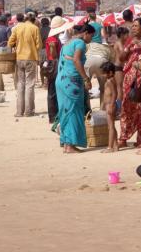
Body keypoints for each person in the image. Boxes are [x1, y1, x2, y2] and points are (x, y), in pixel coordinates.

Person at [56, 24, 95, 153]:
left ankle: (67, 144)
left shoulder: (68, 43)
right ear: (86, 33)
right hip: (72, 82)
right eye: (91, 35)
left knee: (66, 111)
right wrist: (86, 79)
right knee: (74, 111)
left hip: (61, 80)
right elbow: (77, 61)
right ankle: (71, 144)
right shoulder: (80, 43)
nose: (91, 39)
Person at [118, 18, 141, 148]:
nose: (133, 28)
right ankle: (123, 137)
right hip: (129, 79)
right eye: (133, 26)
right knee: (126, 107)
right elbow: (121, 58)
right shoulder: (130, 42)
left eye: (136, 26)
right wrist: (129, 48)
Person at [8, 11, 41, 117]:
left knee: (20, 84)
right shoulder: (35, 29)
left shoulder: (17, 27)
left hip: (19, 58)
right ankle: (29, 111)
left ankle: (19, 111)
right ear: (34, 20)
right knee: (30, 84)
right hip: (30, 58)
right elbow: (39, 45)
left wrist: (17, 45)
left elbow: (10, 43)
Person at [46, 16, 68, 124]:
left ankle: (54, 115)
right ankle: (53, 116)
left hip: (53, 64)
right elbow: (53, 55)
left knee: (54, 90)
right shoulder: (52, 39)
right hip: (54, 65)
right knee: (53, 91)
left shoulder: (54, 38)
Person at [100, 62, 119, 153]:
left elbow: (115, 93)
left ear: (110, 72)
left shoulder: (110, 81)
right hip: (108, 104)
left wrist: (111, 105)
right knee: (112, 125)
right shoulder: (111, 80)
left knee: (110, 126)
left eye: (104, 73)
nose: (102, 75)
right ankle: (115, 145)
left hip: (110, 105)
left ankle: (110, 147)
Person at [0, 15, 11, 91]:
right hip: (7, 50)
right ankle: (16, 85)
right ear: (5, 22)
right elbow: (10, 39)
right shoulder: (7, 29)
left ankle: (1, 87)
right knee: (13, 66)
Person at [112, 26, 129, 105]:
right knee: (120, 88)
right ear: (122, 35)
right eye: (126, 35)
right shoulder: (119, 43)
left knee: (120, 87)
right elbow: (122, 55)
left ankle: (119, 106)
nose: (127, 37)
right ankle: (119, 107)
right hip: (118, 67)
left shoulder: (119, 43)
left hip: (118, 67)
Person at [39, 17, 51, 87]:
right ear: (48, 23)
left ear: (41, 23)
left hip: (41, 50)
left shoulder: (39, 30)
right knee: (49, 66)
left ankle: (43, 82)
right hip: (49, 50)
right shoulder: (51, 30)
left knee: (41, 67)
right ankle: (47, 82)